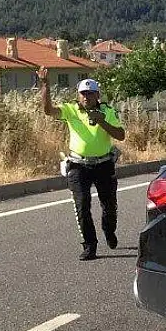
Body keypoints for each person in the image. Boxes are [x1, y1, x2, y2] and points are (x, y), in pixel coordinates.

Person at [39, 68, 126, 260]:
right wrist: (45, 84)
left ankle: (109, 230)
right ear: (78, 96)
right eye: (83, 93)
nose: (87, 97)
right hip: (78, 165)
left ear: (97, 95)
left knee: (109, 206)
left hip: (104, 164)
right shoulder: (71, 110)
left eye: (90, 93)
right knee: (82, 204)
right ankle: (89, 245)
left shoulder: (107, 111)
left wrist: (102, 122)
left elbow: (121, 135)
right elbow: (48, 111)